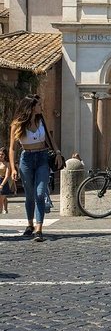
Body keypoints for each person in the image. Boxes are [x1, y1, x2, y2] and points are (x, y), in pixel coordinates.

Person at [8, 94, 64, 242]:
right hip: (26, 159)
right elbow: (12, 148)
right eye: (39, 105)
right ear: (32, 108)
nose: (41, 107)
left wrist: (58, 153)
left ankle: (39, 229)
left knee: (40, 194)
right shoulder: (17, 124)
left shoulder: (41, 121)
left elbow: (50, 140)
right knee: (29, 195)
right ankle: (30, 224)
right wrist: (13, 168)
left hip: (42, 158)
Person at [0, 147, 16, 214]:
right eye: (0, 154)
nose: (0, 156)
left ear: (5, 155)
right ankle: (5, 209)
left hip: (3, 181)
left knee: (1, 198)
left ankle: (1, 211)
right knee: (3, 197)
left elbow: (7, 176)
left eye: (2, 154)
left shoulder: (7, 164)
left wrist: (2, 184)